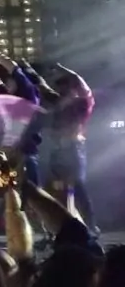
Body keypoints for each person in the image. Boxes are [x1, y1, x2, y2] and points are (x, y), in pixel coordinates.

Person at [0, 45, 43, 185]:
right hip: (9, 153)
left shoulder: (28, 92)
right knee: (5, 187)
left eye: (9, 80)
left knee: (29, 189)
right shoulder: (10, 98)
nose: (6, 82)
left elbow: (12, 66)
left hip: (25, 154)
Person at [46, 64, 97, 231]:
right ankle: (63, 228)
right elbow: (42, 87)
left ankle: (90, 227)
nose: (62, 93)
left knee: (77, 188)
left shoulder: (81, 104)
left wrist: (62, 69)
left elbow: (79, 82)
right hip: (58, 151)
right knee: (58, 191)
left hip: (73, 150)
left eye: (65, 89)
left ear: (72, 90)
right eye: (60, 90)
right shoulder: (59, 105)